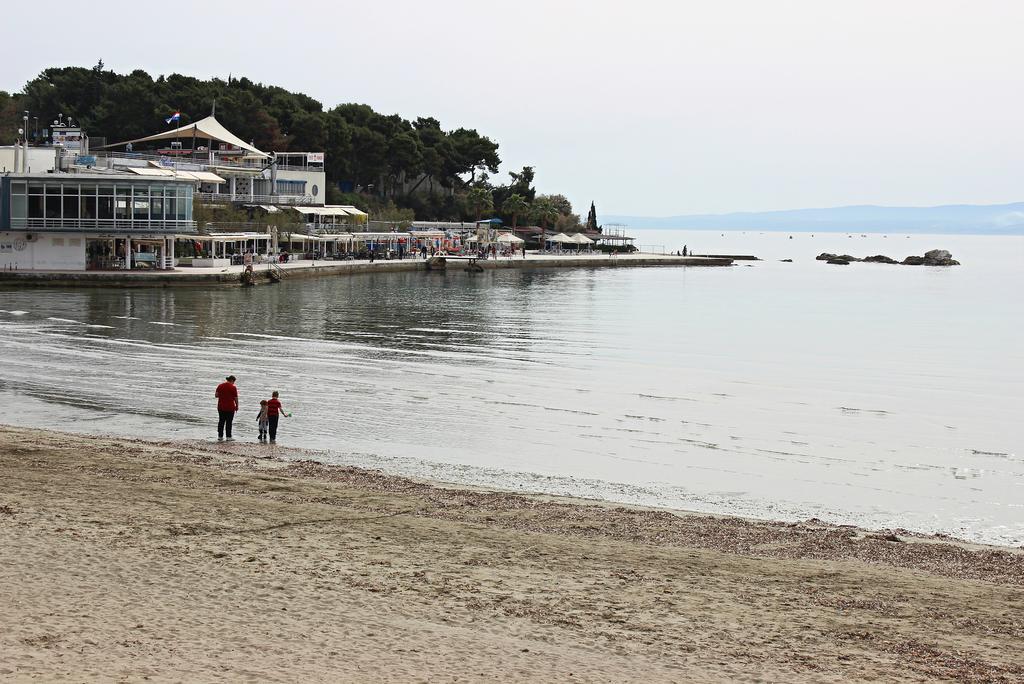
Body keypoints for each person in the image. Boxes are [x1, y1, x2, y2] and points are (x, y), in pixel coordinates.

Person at [215, 375, 238, 442]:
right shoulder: (233, 387)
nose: (233, 383)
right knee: (229, 422)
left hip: (221, 406)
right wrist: (237, 406)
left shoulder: (220, 386)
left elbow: (216, 395)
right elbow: (236, 398)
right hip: (230, 407)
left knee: (221, 421)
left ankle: (220, 436)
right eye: (233, 382)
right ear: (232, 380)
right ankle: (228, 436)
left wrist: (223, 395)